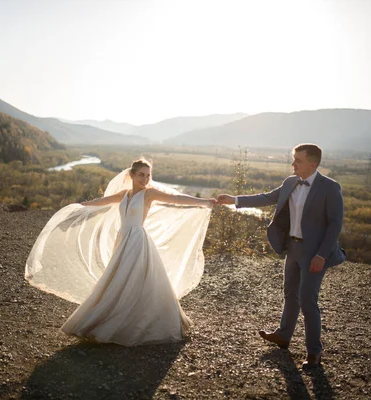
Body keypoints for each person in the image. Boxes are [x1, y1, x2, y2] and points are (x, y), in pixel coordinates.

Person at [26, 158, 216, 346]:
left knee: (133, 279)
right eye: (141, 175)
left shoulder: (149, 194)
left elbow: (176, 199)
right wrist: (79, 208)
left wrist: (204, 201)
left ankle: (140, 322)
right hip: (123, 239)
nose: (144, 179)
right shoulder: (124, 194)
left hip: (137, 240)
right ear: (131, 175)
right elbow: (103, 202)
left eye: (148, 176)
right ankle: (111, 316)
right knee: (119, 279)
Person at [217, 143, 345, 368]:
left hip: (315, 253)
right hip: (292, 248)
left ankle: (314, 352)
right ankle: (284, 336)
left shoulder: (330, 188)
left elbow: (335, 224)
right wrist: (234, 200)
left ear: (312, 164)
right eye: (293, 159)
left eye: (298, 160)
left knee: (308, 301)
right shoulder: (290, 182)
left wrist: (322, 255)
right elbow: (267, 197)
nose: (293, 164)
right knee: (290, 295)